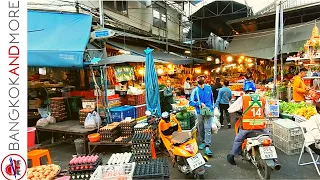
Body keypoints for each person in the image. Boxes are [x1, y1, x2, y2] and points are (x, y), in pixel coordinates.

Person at [226, 81, 269, 165]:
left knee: (238, 140)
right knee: (267, 138)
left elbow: (230, 109)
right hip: (261, 127)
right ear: (254, 89)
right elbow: (267, 113)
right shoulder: (262, 98)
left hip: (247, 128)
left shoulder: (243, 98)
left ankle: (232, 156)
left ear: (245, 89)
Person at [189, 75, 214, 156]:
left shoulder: (208, 88)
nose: (201, 79)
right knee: (201, 126)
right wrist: (199, 104)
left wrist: (212, 108)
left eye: (202, 78)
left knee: (207, 128)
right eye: (199, 78)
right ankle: (202, 141)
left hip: (209, 111)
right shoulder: (195, 90)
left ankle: (207, 146)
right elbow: (191, 102)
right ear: (197, 80)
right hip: (200, 112)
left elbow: (212, 99)